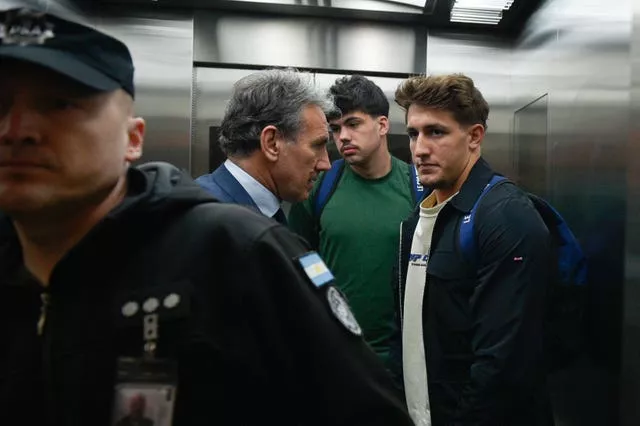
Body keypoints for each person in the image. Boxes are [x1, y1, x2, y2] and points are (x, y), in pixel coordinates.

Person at [0, 8, 415, 425]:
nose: (16, 130)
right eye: (0, 104)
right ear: (271, 143)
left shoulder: (234, 244)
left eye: (59, 104)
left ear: (133, 139)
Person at [391, 74, 553, 425]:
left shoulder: (506, 216)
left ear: (474, 136)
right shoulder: (418, 218)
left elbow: (502, 366)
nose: (419, 149)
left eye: (436, 132)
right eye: (413, 133)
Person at [288, 75, 422, 375]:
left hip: (400, 360)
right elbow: (296, 261)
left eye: (353, 124)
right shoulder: (320, 185)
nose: (343, 137)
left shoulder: (418, 187)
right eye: (335, 129)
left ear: (383, 126)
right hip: (334, 353)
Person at [194, 69, 334, 225]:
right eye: (317, 146)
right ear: (271, 143)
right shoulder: (210, 222)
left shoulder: (254, 214)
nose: (326, 164)